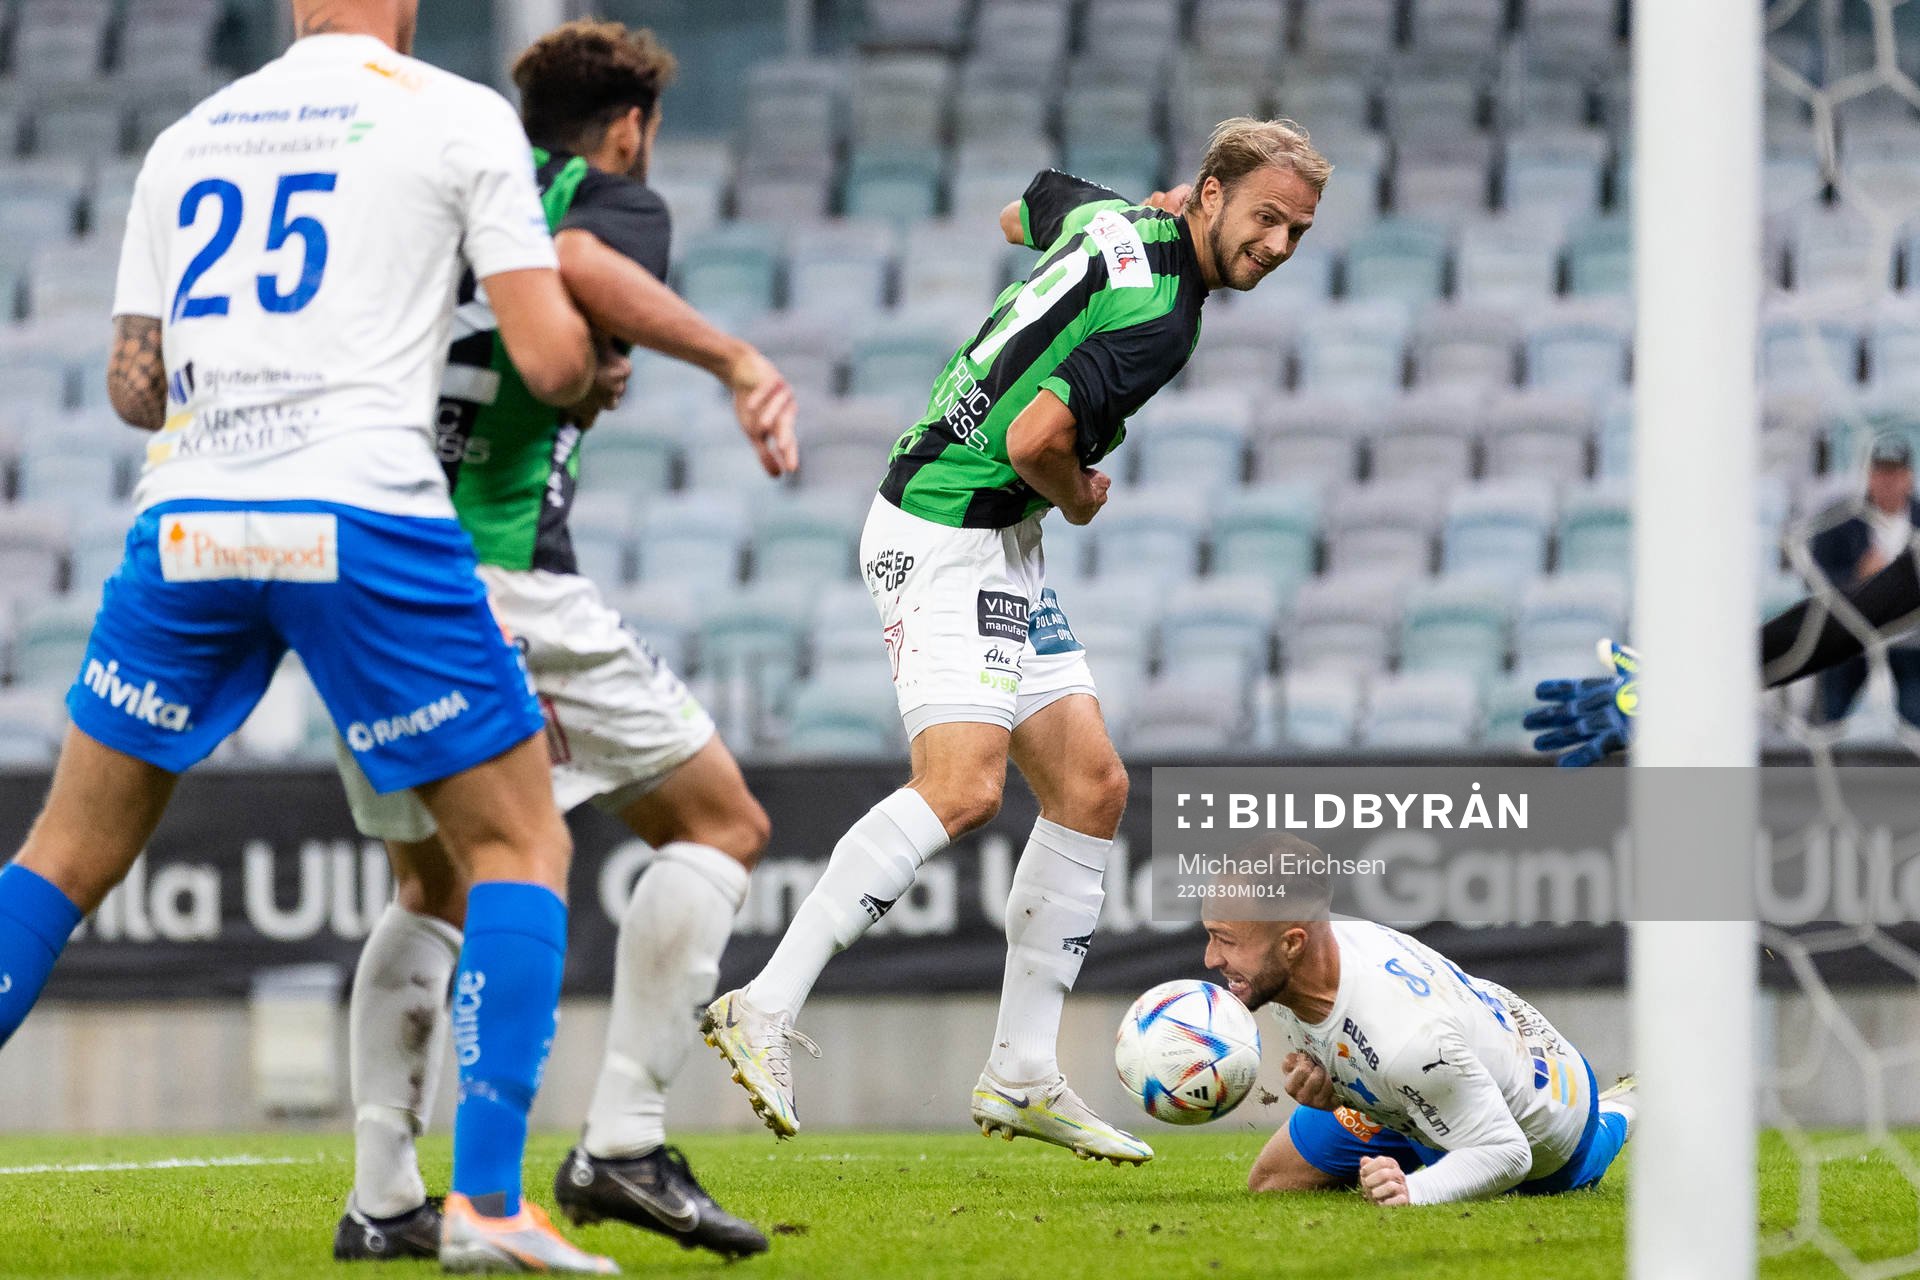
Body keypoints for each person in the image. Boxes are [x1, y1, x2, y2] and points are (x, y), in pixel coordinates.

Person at [0, 1, 623, 1272]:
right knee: (519, 837)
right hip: (356, 514)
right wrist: (592, 371)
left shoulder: (189, 137)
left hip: (189, 521)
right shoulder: (456, 115)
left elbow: (137, 387)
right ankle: (490, 1205)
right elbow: (553, 361)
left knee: (62, 856)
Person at [701, 117, 1330, 1165]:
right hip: (951, 528)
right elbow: (1040, 437)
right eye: (1265, 218)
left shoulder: (1107, 218)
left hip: (992, 537)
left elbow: (1022, 205)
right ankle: (761, 1005)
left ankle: (1022, 1071)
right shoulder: (1166, 317)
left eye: (1298, 231)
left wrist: (1145, 220)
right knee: (962, 786)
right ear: (1212, 194)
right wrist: (1081, 495)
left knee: (1090, 785)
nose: (1277, 245)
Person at [328, 19, 797, 1265]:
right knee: (720, 822)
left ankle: (383, 1198)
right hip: (508, 580)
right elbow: (585, 255)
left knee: (427, 883)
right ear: (630, 127)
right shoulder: (596, 193)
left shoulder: (435, 199)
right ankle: (624, 1141)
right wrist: (734, 359)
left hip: (371, 566)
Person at [1200, 845, 1635, 1204]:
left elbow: (1507, 1154)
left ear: (1293, 944)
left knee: (1544, 1168)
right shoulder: (1302, 953)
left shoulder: (1405, 1039)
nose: (1211, 958)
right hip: (1417, 1083)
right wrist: (1331, 1086)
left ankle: (1630, 1106)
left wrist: (1413, 1190)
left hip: (1547, 1112)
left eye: (1226, 940)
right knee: (1275, 1181)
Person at [1808, 436, 1920, 727]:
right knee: (1829, 714)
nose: (1887, 482)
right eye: (1881, 472)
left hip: (1911, 640)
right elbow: (1813, 579)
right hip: (1851, 636)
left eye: (1895, 473)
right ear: (1869, 476)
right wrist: (1857, 578)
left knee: (1915, 712)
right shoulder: (1840, 519)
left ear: (1908, 477)